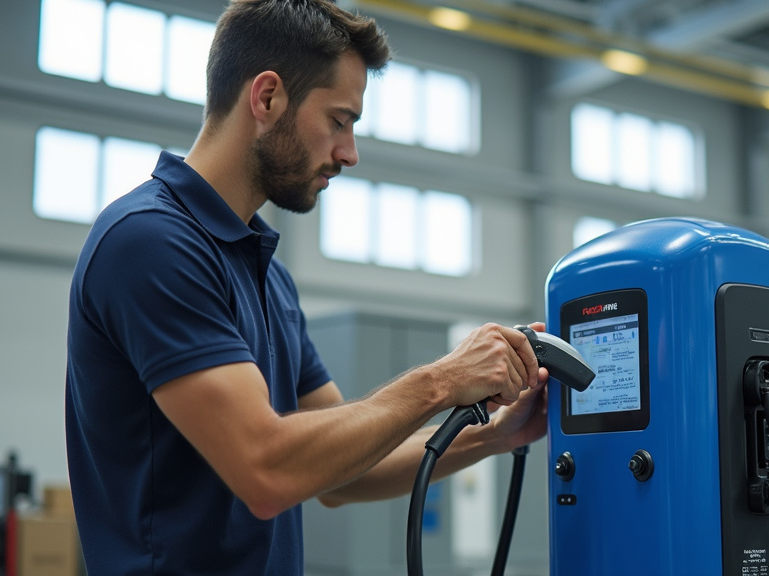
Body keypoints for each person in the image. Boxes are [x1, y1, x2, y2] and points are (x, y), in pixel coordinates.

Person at [64, 0, 550, 574]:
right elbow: (268, 471)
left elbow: (344, 472)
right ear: (267, 97)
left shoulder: (268, 276)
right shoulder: (150, 242)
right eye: (339, 121)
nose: (349, 153)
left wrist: (493, 437)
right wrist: (443, 380)